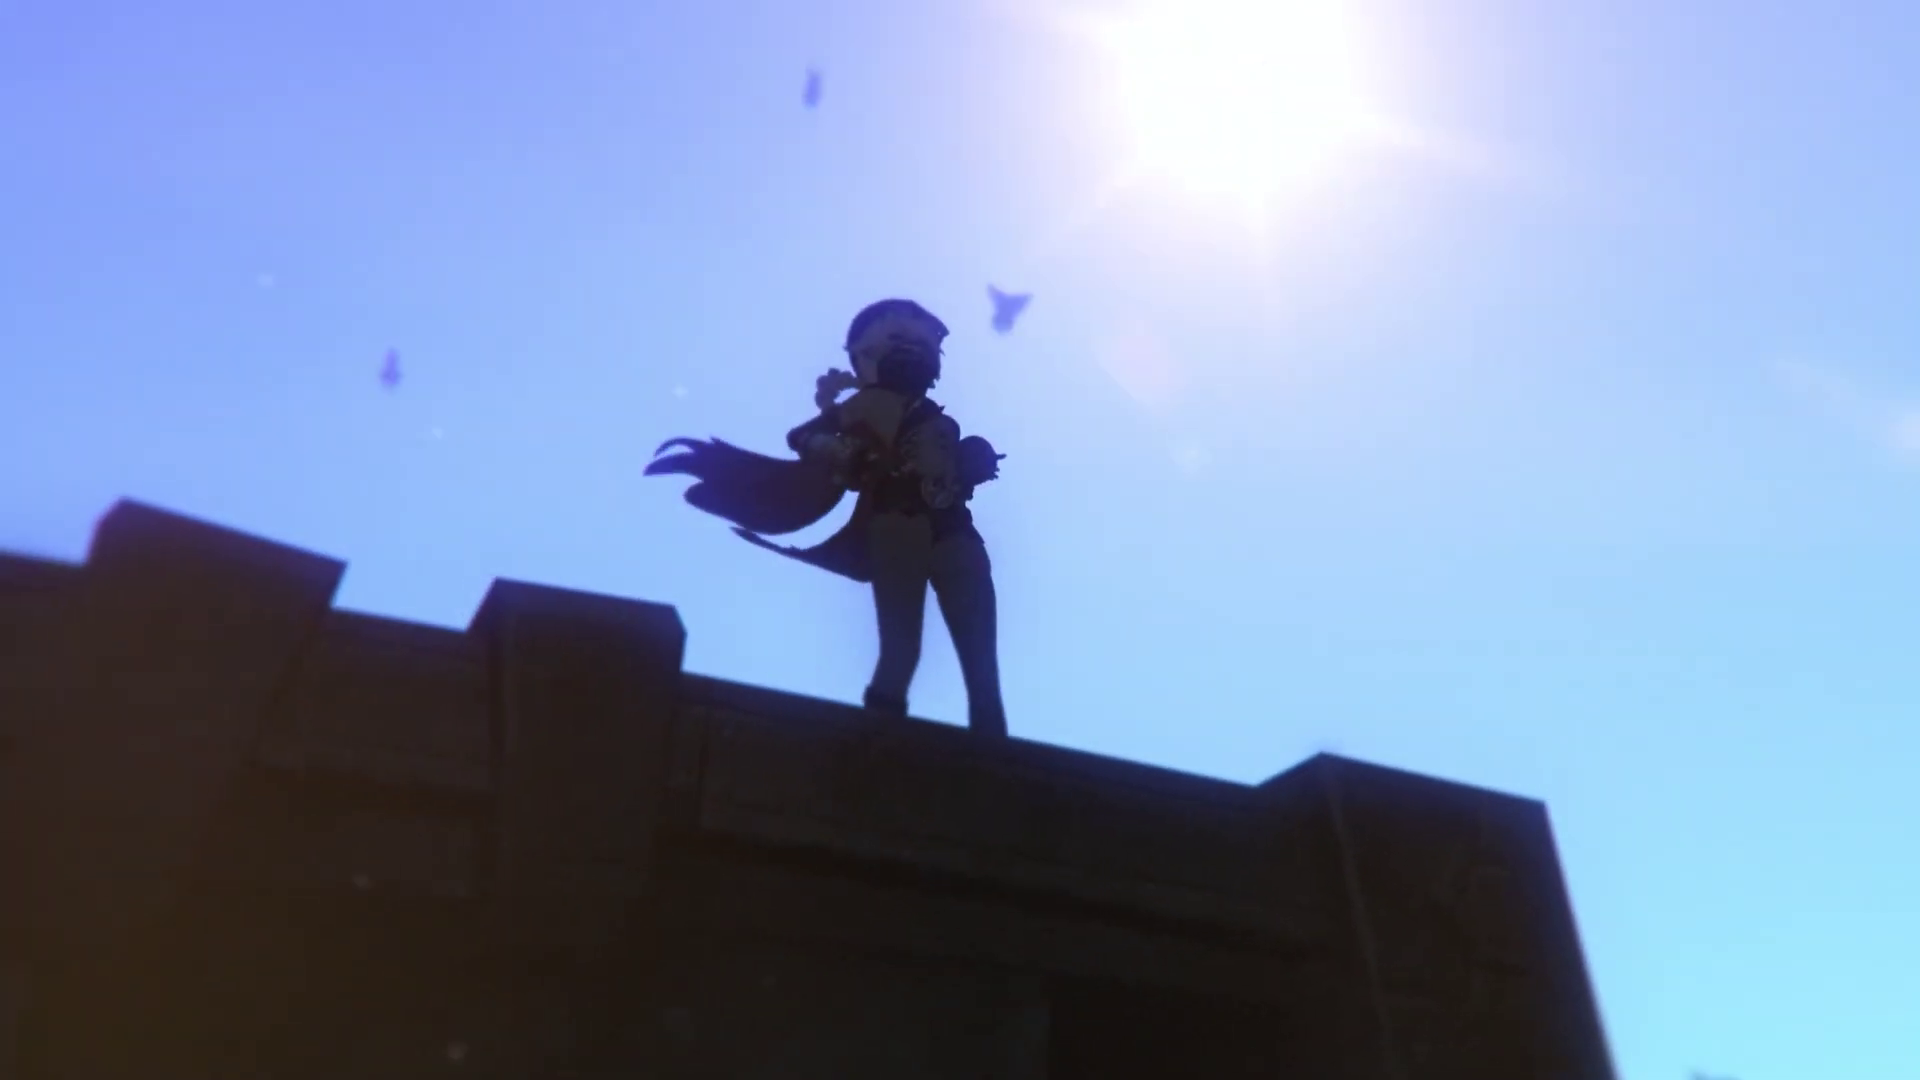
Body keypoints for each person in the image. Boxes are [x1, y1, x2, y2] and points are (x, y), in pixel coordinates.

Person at [646, 299, 1009, 736]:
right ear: (865, 356)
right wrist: (849, 455)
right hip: (899, 519)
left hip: (954, 526)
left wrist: (972, 461)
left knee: (979, 652)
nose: (913, 349)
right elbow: (804, 436)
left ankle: (991, 739)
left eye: (924, 343)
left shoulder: (932, 416)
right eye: (898, 340)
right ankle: (880, 736)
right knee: (902, 647)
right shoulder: (867, 403)